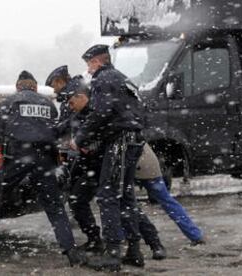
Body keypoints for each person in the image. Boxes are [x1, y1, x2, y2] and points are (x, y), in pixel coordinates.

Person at [0, 71, 87, 267]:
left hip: (18, 157)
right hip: (46, 158)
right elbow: (57, 131)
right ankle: (71, 251)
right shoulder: (48, 104)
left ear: (17, 86)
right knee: (54, 206)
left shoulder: (9, 102)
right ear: (36, 87)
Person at [65, 76, 166, 266]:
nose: (71, 107)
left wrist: (88, 146)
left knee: (125, 204)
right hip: (92, 169)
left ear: (82, 97)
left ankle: (153, 243)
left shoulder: (99, 111)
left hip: (109, 165)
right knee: (80, 200)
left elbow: (110, 138)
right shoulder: (80, 116)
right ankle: (99, 241)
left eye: (72, 102)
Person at [70, 44, 145, 271]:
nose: (88, 71)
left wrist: (80, 138)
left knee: (108, 195)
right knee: (126, 196)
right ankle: (134, 250)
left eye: (89, 65)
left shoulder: (104, 79)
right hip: (134, 139)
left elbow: (101, 113)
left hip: (120, 142)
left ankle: (113, 254)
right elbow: (137, 110)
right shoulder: (123, 78)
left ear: (97, 62)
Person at [135, 144, 205, 245]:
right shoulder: (135, 132)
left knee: (125, 203)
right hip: (149, 163)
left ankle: (126, 237)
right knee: (167, 201)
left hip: (133, 163)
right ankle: (195, 235)